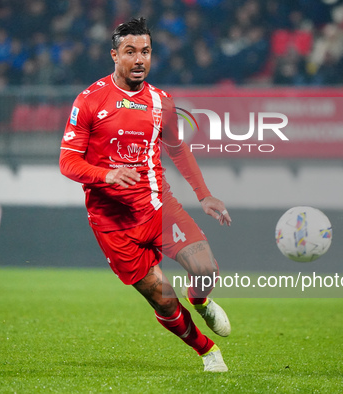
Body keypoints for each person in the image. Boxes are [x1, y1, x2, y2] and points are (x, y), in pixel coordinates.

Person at [59, 17, 232, 371]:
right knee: (164, 301)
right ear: (114, 55)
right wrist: (107, 174)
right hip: (113, 224)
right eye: (130, 52)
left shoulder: (161, 102)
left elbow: (178, 149)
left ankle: (200, 302)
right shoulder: (90, 100)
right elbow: (68, 162)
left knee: (206, 271)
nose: (140, 59)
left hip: (158, 208)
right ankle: (207, 350)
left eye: (146, 52)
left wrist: (204, 194)